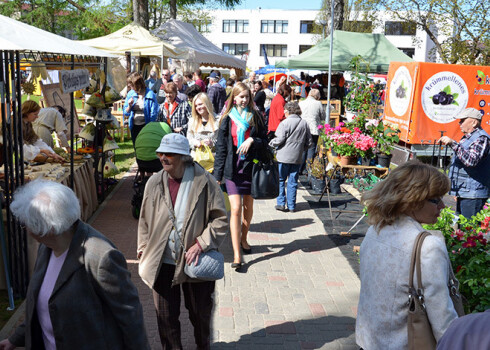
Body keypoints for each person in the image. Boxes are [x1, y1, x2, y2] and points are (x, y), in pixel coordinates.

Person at [0, 180, 149, 350]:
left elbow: (130, 318)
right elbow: (41, 308)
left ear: (48, 229)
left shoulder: (102, 258)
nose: (25, 228)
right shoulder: (47, 248)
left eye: (26, 223)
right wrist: (16, 339)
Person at [137, 133, 228, 350]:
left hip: (195, 260)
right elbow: (144, 219)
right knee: (165, 318)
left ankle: (202, 346)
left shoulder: (204, 181)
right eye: (160, 153)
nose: (162, 157)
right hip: (162, 260)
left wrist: (201, 244)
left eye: (168, 153)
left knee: (200, 315)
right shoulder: (153, 182)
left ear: (183, 156)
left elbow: (220, 219)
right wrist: (142, 246)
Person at [356, 160, 459, 349]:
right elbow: (442, 317)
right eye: (436, 199)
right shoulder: (427, 246)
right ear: (414, 199)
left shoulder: (376, 230)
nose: (443, 206)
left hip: (368, 341)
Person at [214, 82, 268, 269]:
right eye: (241, 96)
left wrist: (253, 139)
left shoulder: (257, 117)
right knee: (235, 209)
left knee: (248, 207)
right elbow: (221, 149)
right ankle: (237, 255)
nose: (244, 100)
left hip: (250, 169)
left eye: (247, 96)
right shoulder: (227, 119)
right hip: (232, 170)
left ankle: (244, 238)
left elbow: (265, 141)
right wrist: (217, 175)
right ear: (234, 98)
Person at [438, 108, 490, 218]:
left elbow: (471, 161)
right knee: (462, 230)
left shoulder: (481, 138)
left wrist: (453, 144)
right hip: (466, 192)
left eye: (462, 120)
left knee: (469, 230)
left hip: (474, 194)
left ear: (474, 122)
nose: (459, 123)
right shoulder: (469, 137)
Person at [269, 102, 312, 212]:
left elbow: (279, 140)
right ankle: (292, 206)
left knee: (281, 180)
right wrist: (301, 149)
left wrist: (270, 143)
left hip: (283, 156)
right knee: (293, 181)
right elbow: (309, 142)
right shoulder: (304, 123)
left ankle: (281, 203)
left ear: (288, 111)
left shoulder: (284, 123)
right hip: (297, 157)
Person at [124, 72, 159, 146]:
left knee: (145, 146)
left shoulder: (150, 94)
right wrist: (130, 106)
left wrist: (149, 128)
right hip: (134, 126)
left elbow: (154, 114)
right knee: (136, 146)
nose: (131, 88)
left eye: (132, 86)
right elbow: (125, 113)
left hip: (146, 126)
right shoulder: (131, 94)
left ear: (137, 85)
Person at [298, 88, 325, 173]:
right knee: (311, 148)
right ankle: (308, 168)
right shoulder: (318, 103)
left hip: (302, 128)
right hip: (313, 129)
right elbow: (323, 116)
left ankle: (300, 169)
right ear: (317, 96)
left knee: (302, 149)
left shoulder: (301, 102)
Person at [187, 93, 219, 158]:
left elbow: (222, 141)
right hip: (196, 158)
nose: (198, 107)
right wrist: (195, 143)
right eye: (196, 106)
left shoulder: (218, 120)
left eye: (200, 104)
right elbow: (189, 138)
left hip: (213, 159)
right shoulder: (192, 121)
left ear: (207, 104)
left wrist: (212, 144)